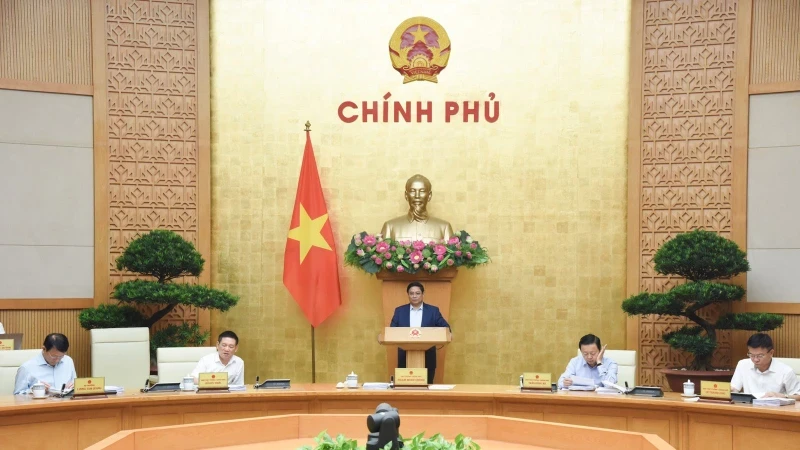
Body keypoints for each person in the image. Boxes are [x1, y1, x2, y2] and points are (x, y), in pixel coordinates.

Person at [389, 281, 450, 384]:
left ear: (422, 294)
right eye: (411, 293)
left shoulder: (433, 311)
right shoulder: (399, 311)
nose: (414, 296)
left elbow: (446, 328)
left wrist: (449, 334)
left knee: (427, 389)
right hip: (405, 357)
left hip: (428, 357)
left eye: (417, 293)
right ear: (408, 295)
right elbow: (392, 331)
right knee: (405, 389)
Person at [380, 174, 454, 243]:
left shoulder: (444, 228)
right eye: (412, 191)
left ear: (429, 196)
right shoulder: (390, 227)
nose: (417, 196)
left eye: (422, 191)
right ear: (406, 195)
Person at [731, 333, 800, 399]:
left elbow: (798, 396)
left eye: (760, 356)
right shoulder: (743, 364)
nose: (755, 359)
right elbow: (734, 388)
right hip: (749, 407)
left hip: (775, 409)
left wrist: (782, 396)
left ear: (771, 353)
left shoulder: (785, 371)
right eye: (751, 355)